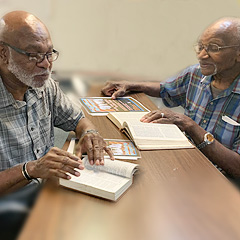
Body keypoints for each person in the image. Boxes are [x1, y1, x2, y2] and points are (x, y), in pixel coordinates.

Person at [0, 11, 114, 239]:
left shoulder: (44, 86)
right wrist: (30, 169)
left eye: (49, 53)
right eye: (34, 55)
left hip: (47, 190)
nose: (46, 64)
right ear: (3, 54)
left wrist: (89, 132)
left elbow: (77, 119)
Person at [102, 17, 240, 178]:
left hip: (219, 180)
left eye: (214, 48)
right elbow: (165, 89)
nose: (202, 56)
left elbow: (237, 168)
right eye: (201, 47)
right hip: (184, 161)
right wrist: (132, 85)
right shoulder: (195, 74)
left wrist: (190, 126)